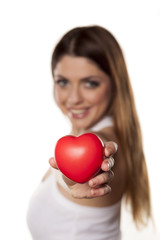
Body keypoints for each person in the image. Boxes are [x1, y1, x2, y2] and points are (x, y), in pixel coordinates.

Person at [27, 25, 151, 240]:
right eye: (63, 82)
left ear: (114, 84)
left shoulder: (108, 138)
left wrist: (89, 170)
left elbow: (105, 146)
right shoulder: (80, 134)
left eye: (90, 83)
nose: (73, 98)